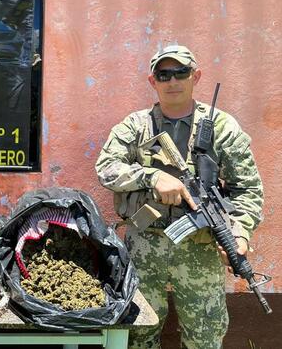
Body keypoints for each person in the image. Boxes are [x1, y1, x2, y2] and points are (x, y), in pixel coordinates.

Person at [94, 45, 264, 349]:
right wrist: (153, 176)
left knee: (205, 336)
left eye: (181, 72)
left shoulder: (222, 128)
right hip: (144, 246)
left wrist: (239, 235)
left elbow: (247, 188)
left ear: (195, 76)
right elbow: (106, 168)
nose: (172, 81)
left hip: (201, 250)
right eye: (164, 74)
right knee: (137, 333)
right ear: (152, 81)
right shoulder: (135, 125)